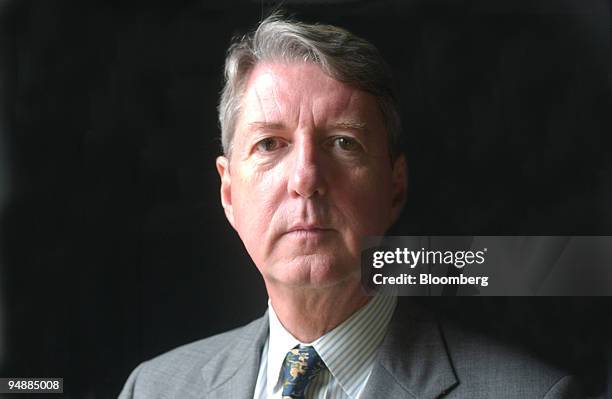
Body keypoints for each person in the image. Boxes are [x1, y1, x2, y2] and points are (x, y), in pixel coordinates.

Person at [119, 13, 581, 399]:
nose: (306, 178)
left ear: (395, 187)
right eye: (269, 143)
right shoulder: (153, 389)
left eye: (343, 142)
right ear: (228, 195)